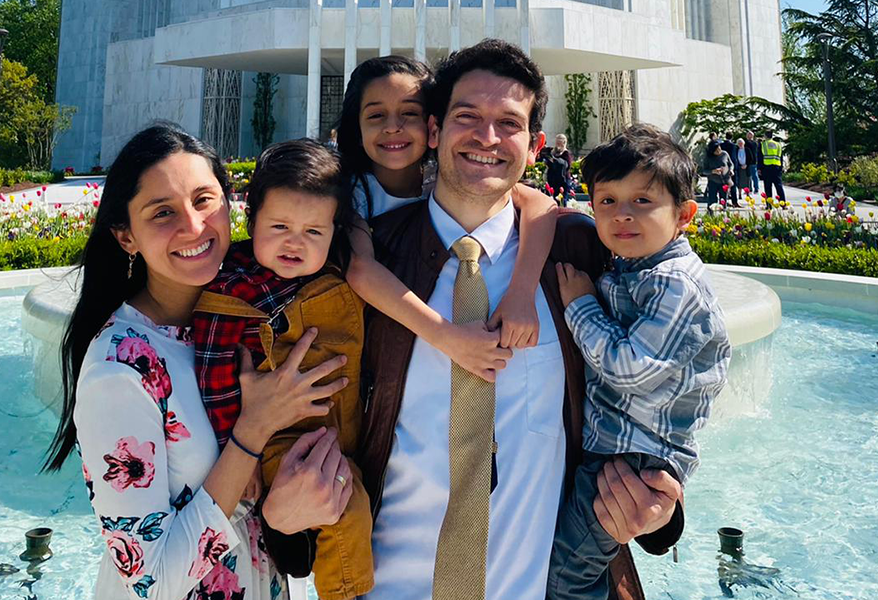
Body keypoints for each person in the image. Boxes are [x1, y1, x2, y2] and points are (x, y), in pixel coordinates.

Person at [354, 39, 684, 600]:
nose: (486, 138)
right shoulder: (374, 258)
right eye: (468, 117)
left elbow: (663, 373)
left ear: (533, 146)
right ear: (433, 132)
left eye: (508, 123)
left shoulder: (580, 254)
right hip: (385, 585)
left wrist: (658, 503)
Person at [44, 123, 357, 600]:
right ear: (126, 237)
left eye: (204, 200)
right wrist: (252, 432)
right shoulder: (121, 369)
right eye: (162, 213)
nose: (193, 227)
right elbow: (153, 579)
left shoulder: (253, 311)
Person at [547, 124, 731, 600]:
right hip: (616, 450)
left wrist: (580, 307)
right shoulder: (633, 267)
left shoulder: (674, 284)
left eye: (642, 202)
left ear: (684, 215)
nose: (621, 216)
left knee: (568, 576)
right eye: (606, 201)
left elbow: (631, 368)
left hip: (632, 460)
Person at [192, 139, 373, 600]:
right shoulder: (233, 291)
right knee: (346, 509)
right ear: (251, 222)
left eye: (315, 231)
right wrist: (241, 455)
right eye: (279, 227)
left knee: (349, 503)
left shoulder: (331, 271)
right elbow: (214, 379)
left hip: (336, 427)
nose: (296, 241)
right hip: (278, 441)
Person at [338, 54, 558, 376]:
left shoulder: (440, 177)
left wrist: (521, 292)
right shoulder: (352, 191)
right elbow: (361, 269)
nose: (393, 127)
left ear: (430, 125)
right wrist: (447, 337)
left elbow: (540, 205)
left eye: (409, 113)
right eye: (376, 115)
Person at [701, 140, 734, 212]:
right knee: (712, 200)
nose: (719, 151)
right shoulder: (708, 157)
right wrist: (713, 171)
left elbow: (731, 164)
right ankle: (711, 216)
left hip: (724, 181)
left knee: (723, 200)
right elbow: (704, 171)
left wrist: (731, 170)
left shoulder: (725, 154)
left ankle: (723, 215)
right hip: (713, 181)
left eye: (719, 148)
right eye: (716, 151)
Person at [543, 133, 573, 203]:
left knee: (561, 201)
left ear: (564, 143)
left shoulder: (566, 154)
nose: (558, 145)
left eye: (559, 143)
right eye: (557, 143)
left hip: (563, 181)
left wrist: (554, 160)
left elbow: (566, 165)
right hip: (552, 180)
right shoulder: (552, 152)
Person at [760, 130, 786, 203]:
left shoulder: (763, 144)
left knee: (768, 187)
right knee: (779, 186)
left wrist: (759, 168)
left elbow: (760, 157)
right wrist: (781, 167)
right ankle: (783, 203)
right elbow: (781, 157)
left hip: (766, 167)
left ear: (765, 136)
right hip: (777, 167)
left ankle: (769, 205)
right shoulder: (778, 144)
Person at [734, 137, 747, 206]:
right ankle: (739, 194)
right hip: (739, 167)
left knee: (746, 181)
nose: (740, 145)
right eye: (739, 143)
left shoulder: (747, 149)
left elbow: (750, 157)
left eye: (741, 143)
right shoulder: (736, 150)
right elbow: (735, 158)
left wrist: (746, 164)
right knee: (739, 182)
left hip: (746, 167)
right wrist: (739, 165)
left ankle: (747, 194)